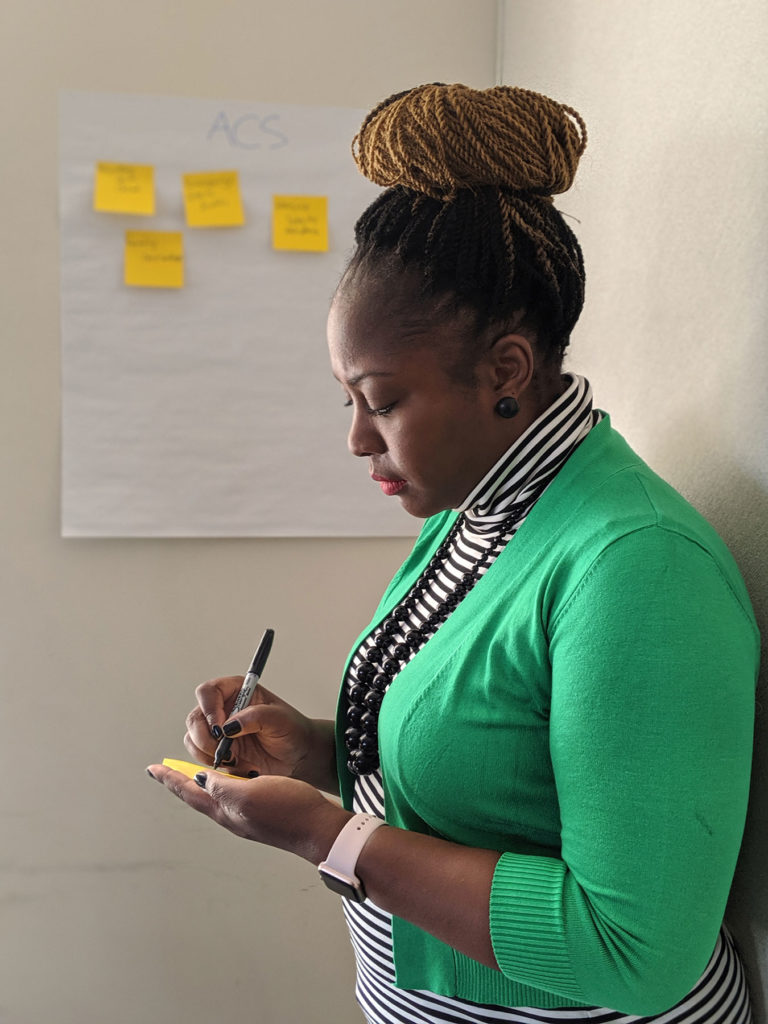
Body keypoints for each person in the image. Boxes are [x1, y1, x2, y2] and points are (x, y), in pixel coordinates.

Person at [148, 83, 759, 1023]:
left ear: (507, 371)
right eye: (345, 399)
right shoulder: (475, 513)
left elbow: (634, 951)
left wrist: (334, 839)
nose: (357, 438)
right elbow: (499, 767)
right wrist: (315, 752)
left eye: (382, 401)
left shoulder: (639, 568)